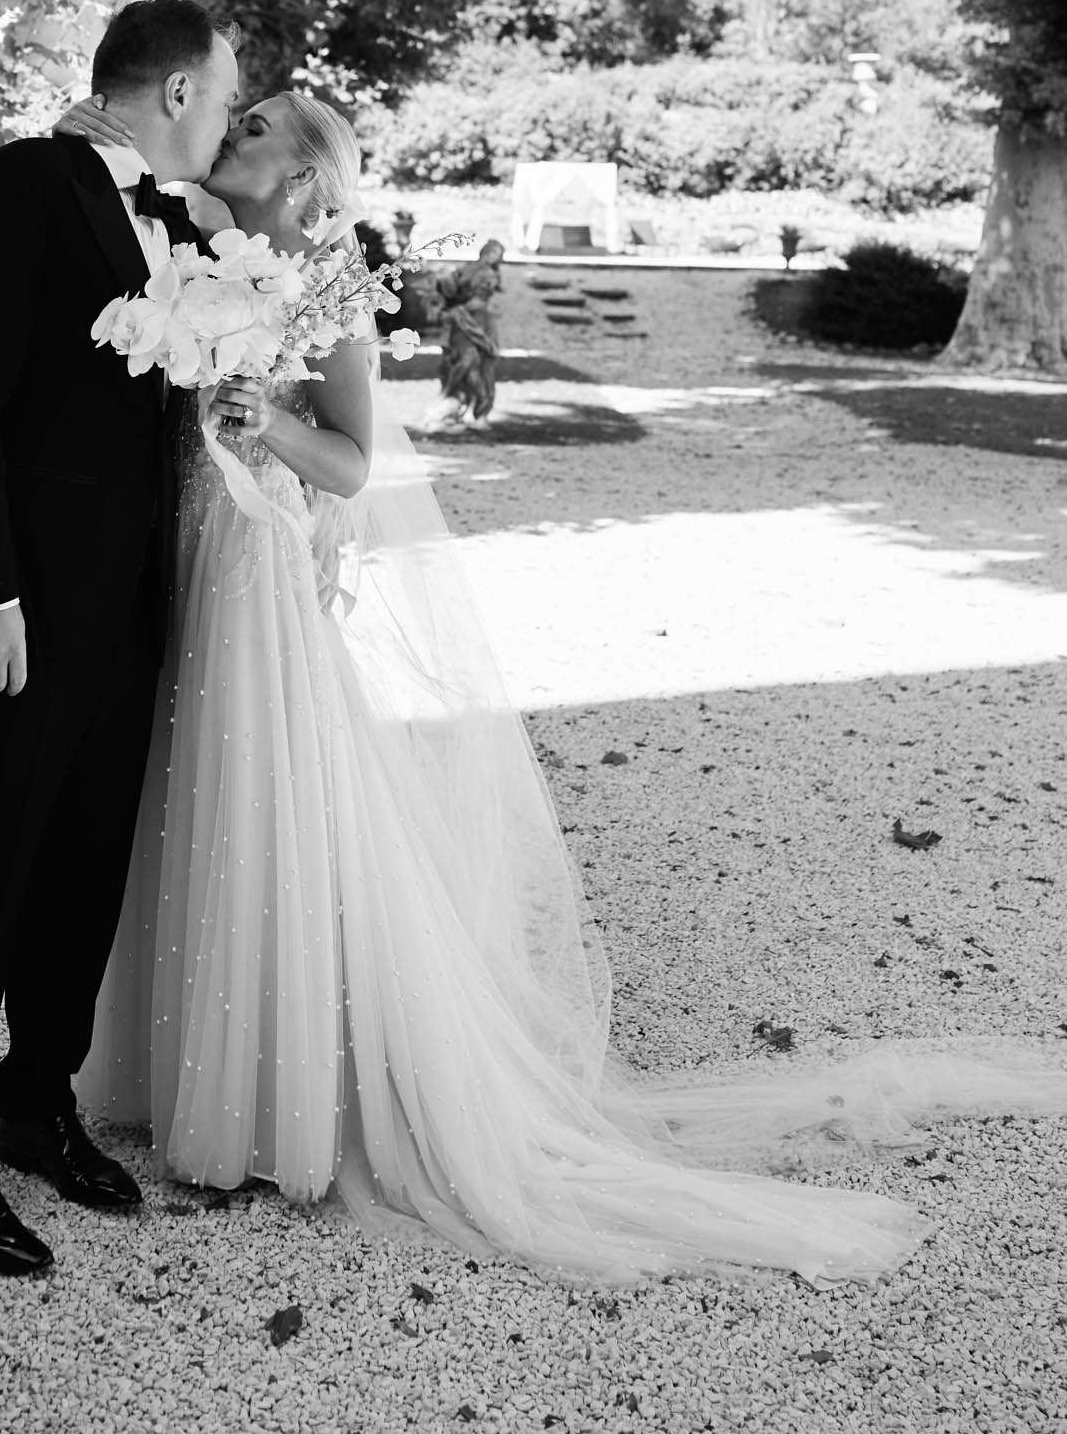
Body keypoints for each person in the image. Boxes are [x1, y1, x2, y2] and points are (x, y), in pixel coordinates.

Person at [52, 87, 1067, 1289]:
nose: (234, 130)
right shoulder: (193, 255)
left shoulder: (328, 293)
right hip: (184, 560)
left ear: (310, 179)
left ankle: (268, 1096)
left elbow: (354, 459)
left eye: (259, 125)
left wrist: (262, 420)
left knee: (258, 801)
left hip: (256, 576)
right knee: (178, 792)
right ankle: (159, 1067)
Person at [0, 0, 239, 1276]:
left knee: (81, 866)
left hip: (127, 605)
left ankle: (39, 1105)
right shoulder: (18, 183)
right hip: (13, 607)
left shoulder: (186, 223)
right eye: (227, 95)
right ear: (178, 87)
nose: (231, 120)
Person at [429, 238, 505, 427]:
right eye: (492, 252)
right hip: (463, 320)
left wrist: (457, 308)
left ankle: (478, 409)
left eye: (498, 254)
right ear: (484, 252)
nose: (494, 256)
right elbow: (447, 288)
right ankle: (452, 399)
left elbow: (481, 299)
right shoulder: (467, 269)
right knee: (464, 360)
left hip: (479, 320)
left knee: (482, 363)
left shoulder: (490, 274)